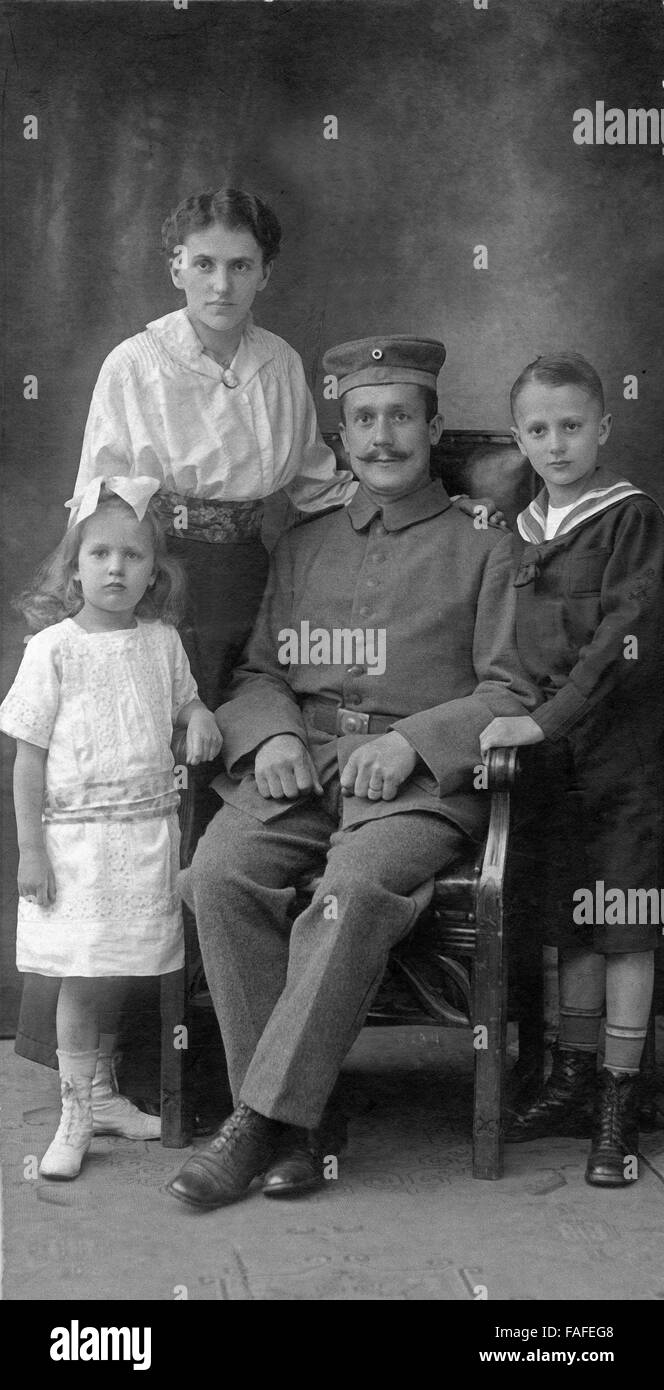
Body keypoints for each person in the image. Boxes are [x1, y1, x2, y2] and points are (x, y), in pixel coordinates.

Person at [166, 334, 537, 1210]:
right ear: (343, 435)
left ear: (432, 429)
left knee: (354, 888)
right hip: (306, 764)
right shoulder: (302, 546)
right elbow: (259, 672)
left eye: (401, 417)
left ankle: (259, 1123)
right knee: (218, 874)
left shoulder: (486, 549)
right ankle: (304, 1123)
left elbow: (512, 689)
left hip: (420, 785)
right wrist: (271, 737)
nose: (382, 437)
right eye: (364, 419)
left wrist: (414, 743)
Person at [0, 477, 222, 1177]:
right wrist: (31, 851)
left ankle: (101, 1095)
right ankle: (74, 1111)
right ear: (74, 568)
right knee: (80, 976)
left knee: (122, 967)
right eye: (100, 554)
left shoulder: (161, 643)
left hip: (144, 838)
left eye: (133, 556)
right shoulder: (53, 649)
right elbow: (28, 758)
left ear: (155, 572)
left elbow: (183, 703)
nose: (116, 569)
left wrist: (199, 716)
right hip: (75, 845)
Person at [480, 352, 664, 1187]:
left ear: (603, 427)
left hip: (625, 755)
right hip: (554, 762)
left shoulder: (631, 518)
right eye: (539, 430)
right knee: (571, 920)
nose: (556, 444)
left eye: (573, 426)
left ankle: (620, 1102)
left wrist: (545, 720)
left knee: (625, 921)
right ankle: (573, 1080)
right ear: (519, 437)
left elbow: (624, 643)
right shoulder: (520, 529)